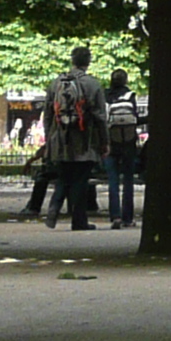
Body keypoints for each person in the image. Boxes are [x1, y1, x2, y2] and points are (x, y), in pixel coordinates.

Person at [41, 46, 107, 234]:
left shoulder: (56, 83)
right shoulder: (93, 84)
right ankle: (79, 220)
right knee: (80, 180)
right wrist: (104, 142)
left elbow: (47, 114)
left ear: (72, 60)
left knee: (63, 176)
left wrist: (49, 138)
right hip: (84, 138)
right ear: (89, 61)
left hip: (59, 138)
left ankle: (54, 207)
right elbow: (100, 116)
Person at [103, 68, 144, 229]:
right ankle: (128, 217)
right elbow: (135, 119)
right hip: (128, 143)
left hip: (110, 143)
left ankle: (115, 217)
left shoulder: (105, 96)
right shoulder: (130, 95)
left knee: (113, 181)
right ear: (125, 80)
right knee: (128, 181)